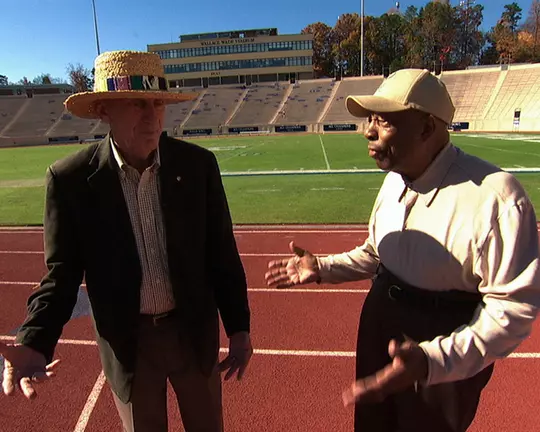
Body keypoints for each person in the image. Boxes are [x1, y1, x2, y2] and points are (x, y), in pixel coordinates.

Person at [265, 68, 540, 431]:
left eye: (383, 121)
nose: (368, 131)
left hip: (443, 343)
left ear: (427, 128)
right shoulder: (393, 180)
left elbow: (513, 310)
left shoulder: (497, 198)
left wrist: (431, 361)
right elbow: (378, 253)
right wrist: (323, 267)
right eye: (370, 120)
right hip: (380, 323)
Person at [0, 50, 252, 432]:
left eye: (157, 103)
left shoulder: (197, 167)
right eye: (136, 104)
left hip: (192, 334)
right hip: (128, 344)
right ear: (104, 109)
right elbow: (61, 274)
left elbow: (222, 255)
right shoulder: (70, 181)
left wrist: (239, 327)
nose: (152, 117)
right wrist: (34, 339)